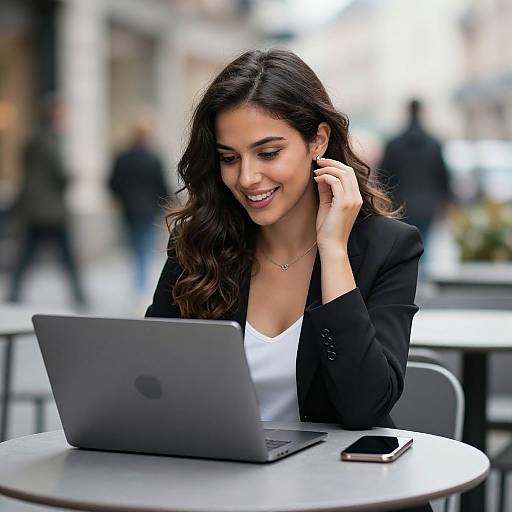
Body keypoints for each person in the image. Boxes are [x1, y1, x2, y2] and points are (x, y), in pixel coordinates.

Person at [146, 49, 428, 512]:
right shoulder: (197, 247)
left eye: (268, 152)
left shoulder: (387, 249)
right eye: (229, 158)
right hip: (219, 493)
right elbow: (152, 384)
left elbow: (364, 406)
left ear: (318, 140)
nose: (247, 178)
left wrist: (334, 250)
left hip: (344, 497)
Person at [7, 96, 86, 307]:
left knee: (27, 254)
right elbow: (60, 173)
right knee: (66, 256)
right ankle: (79, 295)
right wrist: (75, 174)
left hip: (34, 209)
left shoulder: (32, 139)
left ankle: (14, 293)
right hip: (51, 211)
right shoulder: (51, 140)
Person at [378, 99, 451, 260]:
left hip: (400, 205)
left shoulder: (394, 144)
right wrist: (446, 202)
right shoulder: (434, 144)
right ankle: (421, 279)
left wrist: (384, 201)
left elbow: (382, 176)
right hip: (427, 205)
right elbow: (443, 176)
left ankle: (408, 280)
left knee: (402, 249)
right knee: (424, 248)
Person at [108, 117, 169, 298]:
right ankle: (141, 288)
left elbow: (113, 183)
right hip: (149, 211)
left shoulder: (122, 158)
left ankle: (139, 286)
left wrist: (123, 198)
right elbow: (162, 187)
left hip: (129, 210)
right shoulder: (153, 159)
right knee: (144, 247)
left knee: (136, 248)